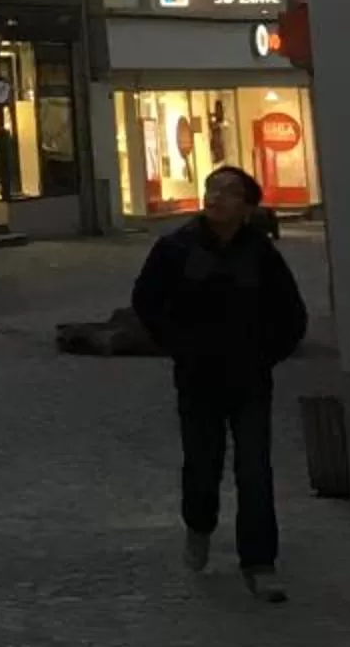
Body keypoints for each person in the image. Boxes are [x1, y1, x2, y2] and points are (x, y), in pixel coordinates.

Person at [132, 163, 309, 603]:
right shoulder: (176, 248)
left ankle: (260, 561)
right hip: (198, 377)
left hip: (250, 377)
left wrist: (267, 353)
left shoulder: (261, 255)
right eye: (211, 189)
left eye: (228, 192)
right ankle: (200, 523)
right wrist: (177, 344)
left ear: (247, 207)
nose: (216, 198)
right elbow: (147, 301)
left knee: (254, 470)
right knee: (202, 463)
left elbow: (291, 314)